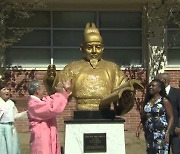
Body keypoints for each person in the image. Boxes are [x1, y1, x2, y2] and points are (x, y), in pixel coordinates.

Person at [44, 22, 142, 115]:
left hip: (106, 113)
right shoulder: (72, 68)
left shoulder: (112, 68)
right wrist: (51, 81)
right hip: (82, 113)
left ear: (103, 48)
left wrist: (127, 98)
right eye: (90, 47)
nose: (94, 51)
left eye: (98, 47)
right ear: (82, 48)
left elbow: (120, 105)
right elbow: (58, 95)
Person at [27, 79, 71, 154]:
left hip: (48, 132)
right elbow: (52, 108)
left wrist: (64, 90)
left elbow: (51, 99)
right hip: (41, 135)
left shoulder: (42, 100)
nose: (44, 91)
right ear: (37, 91)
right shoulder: (33, 104)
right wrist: (62, 95)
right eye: (42, 89)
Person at [136, 79, 173, 154]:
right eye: (150, 85)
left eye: (153, 86)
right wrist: (139, 127)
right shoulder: (148, 101)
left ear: (159, 89)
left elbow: (171, 117)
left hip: (161, 134)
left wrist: (168, 132)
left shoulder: (164, 101)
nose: (150, 87)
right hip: (149, 133)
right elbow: (145, 116)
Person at [0, 81, 27, 154]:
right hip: (1, 128)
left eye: (8, 89)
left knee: (12, 148)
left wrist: (26, 113)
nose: (7, 91)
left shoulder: (11, 103)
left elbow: (15, 116)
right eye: (4, 89)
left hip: (10, 128)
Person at [157, 73, 180, 154]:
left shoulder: (177, 93)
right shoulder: (157, 94)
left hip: (175, 130)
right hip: (161, 130)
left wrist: (179, 126)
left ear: (164, 81)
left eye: (158, 81)